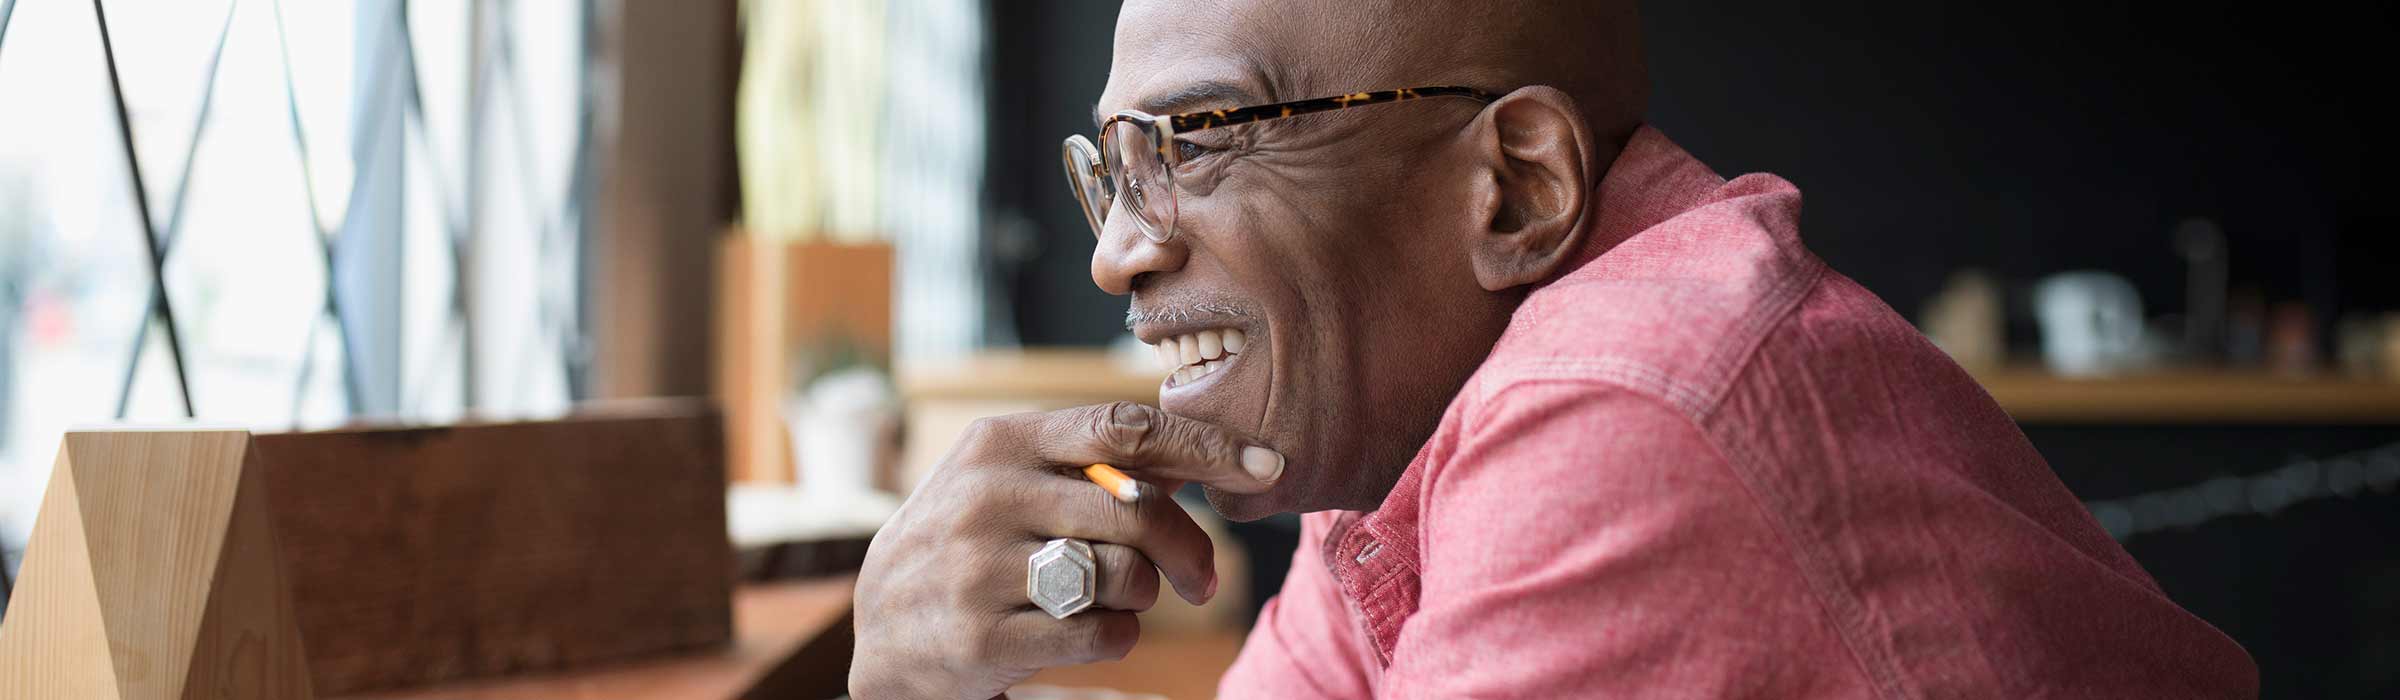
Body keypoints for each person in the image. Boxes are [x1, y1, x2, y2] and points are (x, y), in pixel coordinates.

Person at [849, 0, 2258, 697]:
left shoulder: (1626, 418)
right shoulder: (1416, 446)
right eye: (1117, 169)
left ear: (1517, 189)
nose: (1115, 252)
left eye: (1200, 143)